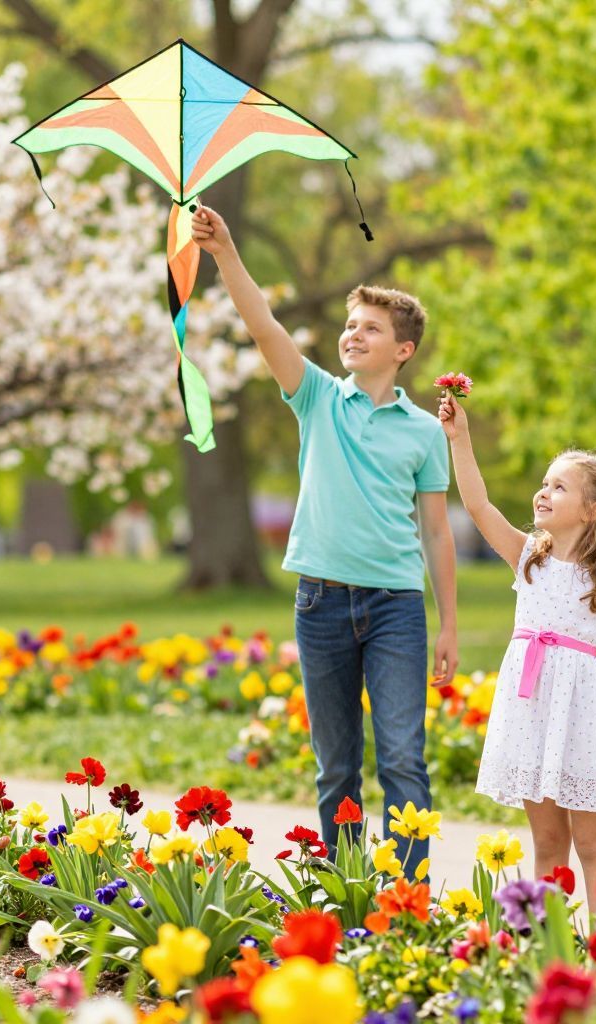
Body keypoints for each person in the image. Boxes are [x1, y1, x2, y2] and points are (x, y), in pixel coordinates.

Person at [191, 206, 457, 875]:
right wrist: (226, 252)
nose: (353, 335)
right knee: (335, 766)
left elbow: (436, 531)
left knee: (402, 758)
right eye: (349, 325)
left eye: (370, 328)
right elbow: (263, 325)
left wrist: (449, 624)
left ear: (403, 350)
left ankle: (408, 895)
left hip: (397, 607)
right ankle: (347, 892)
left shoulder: (424, 432)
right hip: (321, 605)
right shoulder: (316, 397)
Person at [437, 391, 596, 917]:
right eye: (544, 483)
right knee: (549, 846)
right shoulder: (528, 557)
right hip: (532, 710)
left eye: (559, 486)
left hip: (585, 714)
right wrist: (460, 439)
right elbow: (479, 505)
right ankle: (546, 952)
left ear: (592, 510)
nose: (543, 493)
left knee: (594, 846)